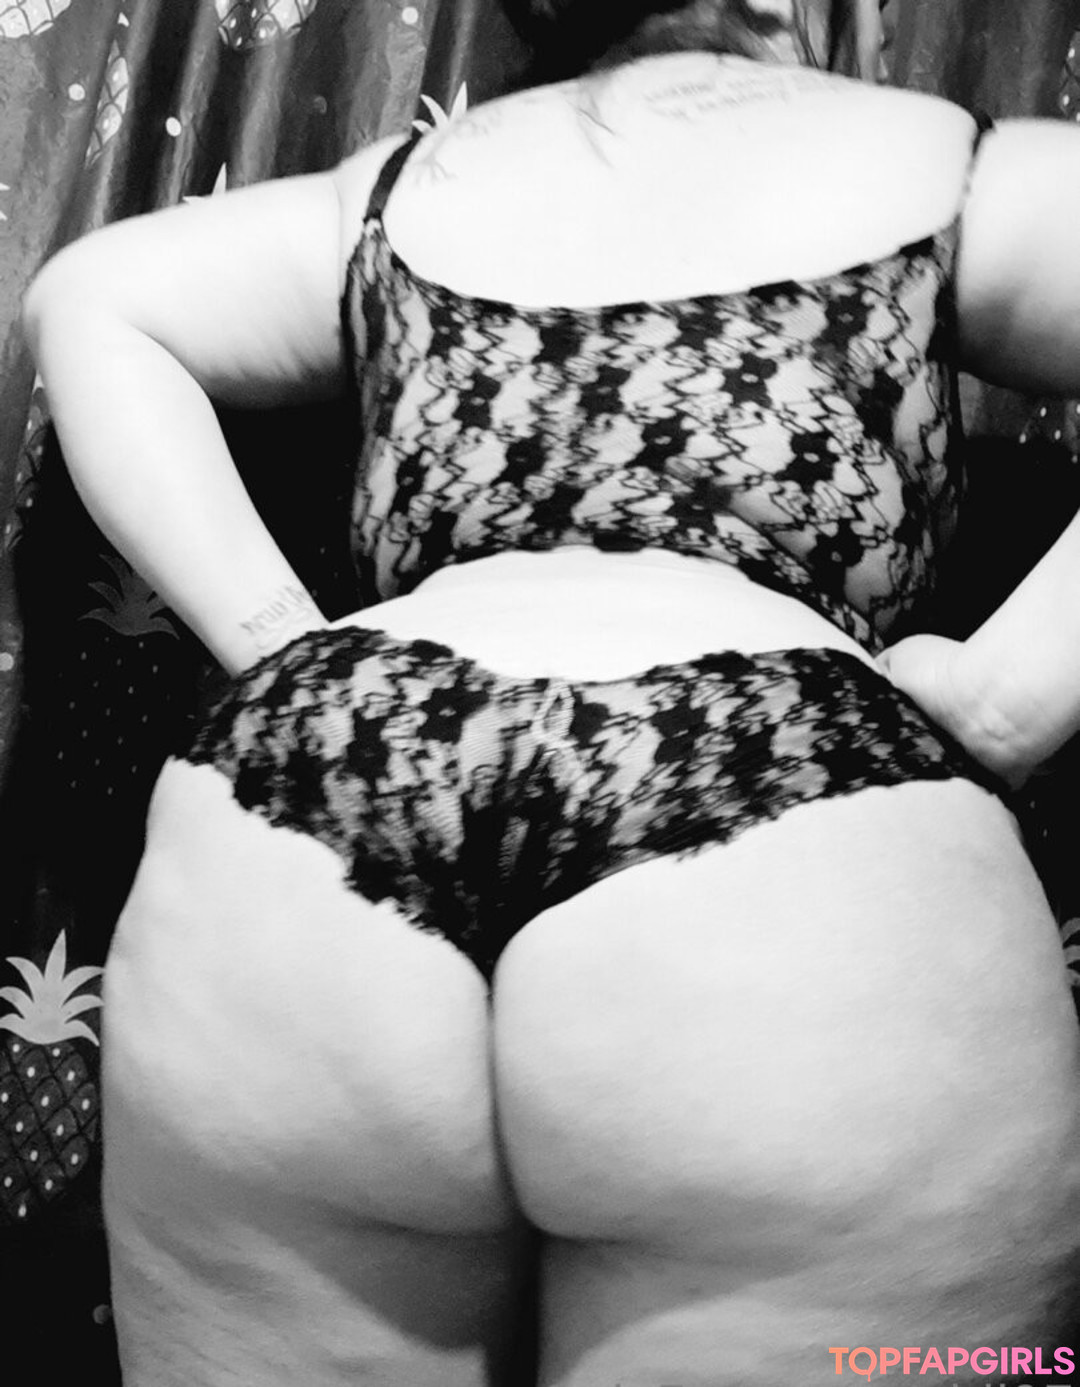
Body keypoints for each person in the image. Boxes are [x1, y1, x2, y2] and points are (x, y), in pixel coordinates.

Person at [21, 1, 1080, 1383]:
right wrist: (1006, 699)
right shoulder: (944, 161)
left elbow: (87, 294)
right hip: (783, 822)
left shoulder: (402, 189)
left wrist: (277, 640)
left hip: (330, 786)